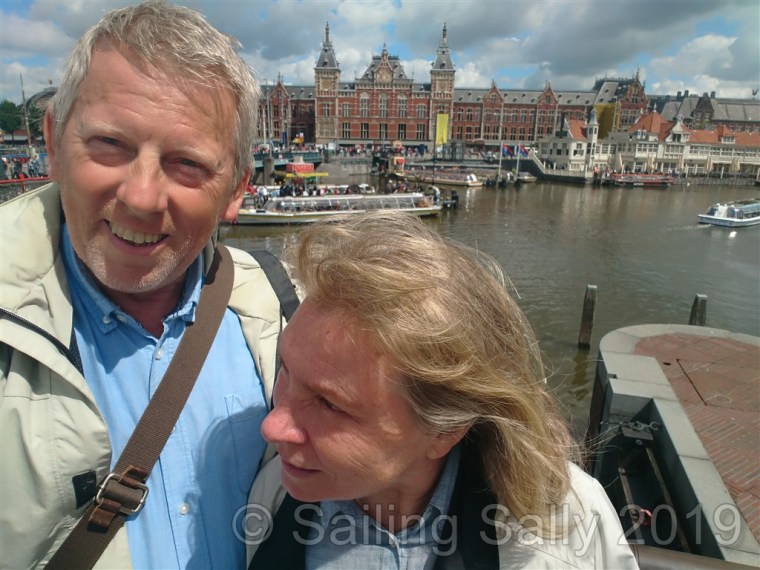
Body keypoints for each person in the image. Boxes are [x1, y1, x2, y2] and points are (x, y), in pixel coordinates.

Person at [0, 2, 285, 568]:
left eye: (187, 163)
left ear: (236, 190)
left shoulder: (279, 312)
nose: (141, 197)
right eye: (110, 143)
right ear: (53, 140)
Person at [245, 211, 639, 569]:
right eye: (286, 371)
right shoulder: (271, 494)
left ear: (445, 430)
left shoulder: (569, 528)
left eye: (329, 404)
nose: (272, 427)